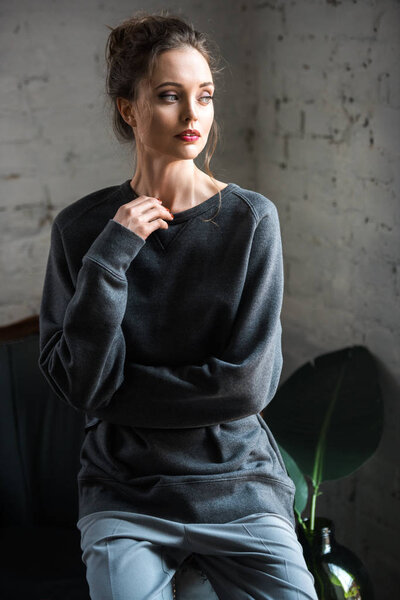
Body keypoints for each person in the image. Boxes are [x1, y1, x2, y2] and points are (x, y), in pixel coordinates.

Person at [38, 10, 318, 600]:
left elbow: (247, 387)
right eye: (170, 96)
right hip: (125, 493)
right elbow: (79, 384)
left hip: (238, 486)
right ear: (128, 109)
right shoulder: (80, 230)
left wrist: (119, 396)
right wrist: (111, 256)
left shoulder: (250, 221)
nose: (194, 116)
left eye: (205, 96)